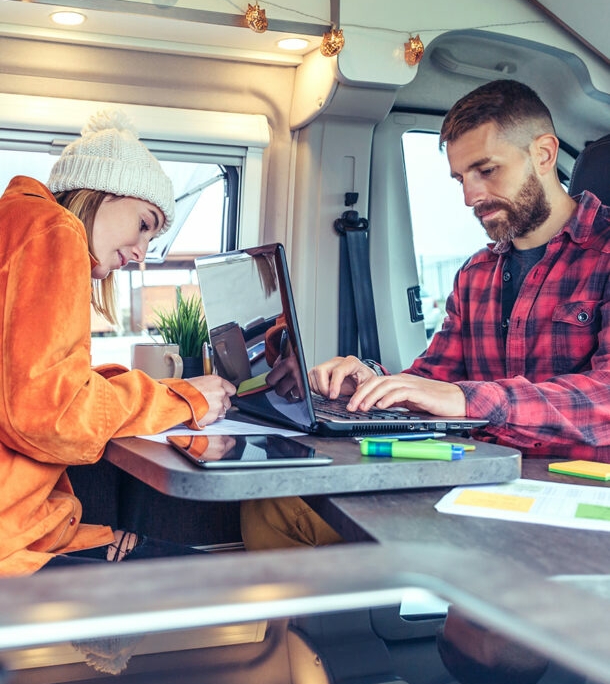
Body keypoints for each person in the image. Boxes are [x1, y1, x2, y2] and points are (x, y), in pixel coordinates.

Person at [241, 78, 610, 549]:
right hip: (475, 480)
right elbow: (432, 379)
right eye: (460, 178)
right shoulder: (476, 273)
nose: (470, 196)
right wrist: (372, 381)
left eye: (486, 170)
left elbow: (604, 398)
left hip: (573, 499)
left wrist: (467, 401)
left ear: (543, 153)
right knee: (274, 505)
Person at [0, 109, 235, 576]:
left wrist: (152, 394)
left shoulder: (16, 220)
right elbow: (54, 415)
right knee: (214, 576)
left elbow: (29, 384)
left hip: (27, 527)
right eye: (145, 224)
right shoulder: (56, 229)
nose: (141, 253)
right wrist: (182, 398)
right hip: (16, 545)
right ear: (104, 192)